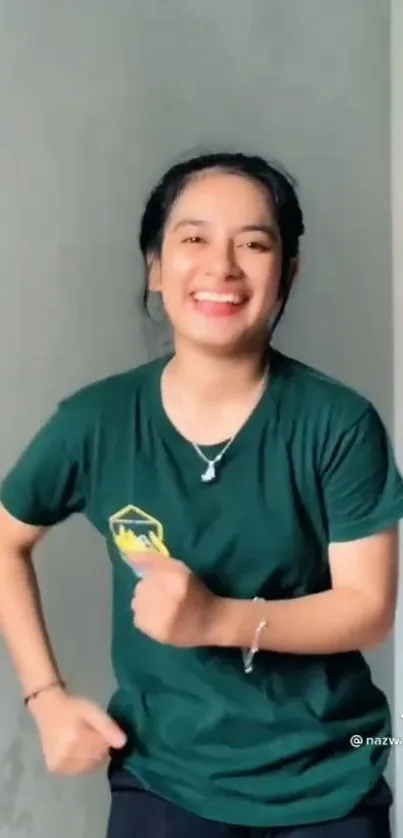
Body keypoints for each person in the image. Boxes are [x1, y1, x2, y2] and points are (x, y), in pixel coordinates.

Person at [0, 152, 402, 838]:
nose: (222, 266)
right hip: (161, 780)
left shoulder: (337, 423)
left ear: (287, 274)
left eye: (252, 243)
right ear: (155, 267)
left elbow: (367, 609)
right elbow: (7, 539)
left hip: (330, 780)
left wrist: (216, 619)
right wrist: (46, 699)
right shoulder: (95, 423)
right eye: (193, 239)